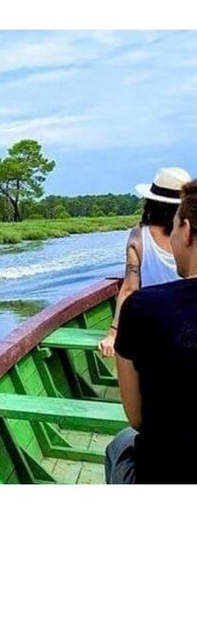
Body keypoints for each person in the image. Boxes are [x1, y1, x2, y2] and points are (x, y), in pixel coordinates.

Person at [105, 178, 197, 484]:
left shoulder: (140, 309)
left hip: (165, 473)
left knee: (119, 443)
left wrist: (114, 330)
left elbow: (137, 419)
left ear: (185, 230)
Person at [98, 167, 191, 357]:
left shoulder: (138, 236)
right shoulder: (191, 236)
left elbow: (129, 289)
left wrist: (113, 332)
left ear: (152, 202)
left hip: (152, 323)